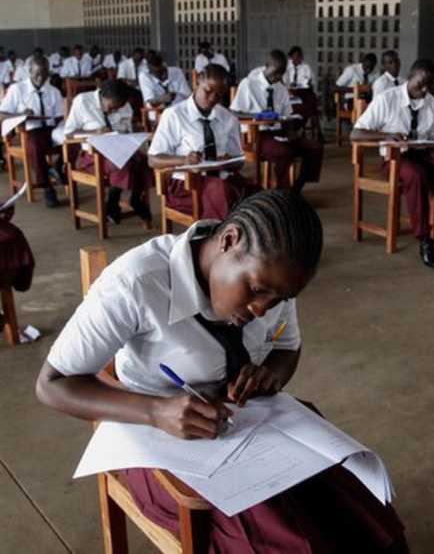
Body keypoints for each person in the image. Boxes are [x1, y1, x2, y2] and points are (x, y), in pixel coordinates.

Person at [34, 189, 408, 553]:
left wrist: (272, 374)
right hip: (156, 442)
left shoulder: (275, 280)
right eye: (256, 289)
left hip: (246, 425)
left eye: (279, 299)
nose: (264, 308)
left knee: (362, 513)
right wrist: (155, 411)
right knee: (280, 535)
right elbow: (53, 385)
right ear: (229, 240)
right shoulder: (136, 282)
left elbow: (286, 348)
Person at [351, 59, 434, 268]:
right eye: (419, 84)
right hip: (395, 160)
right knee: (417, 175)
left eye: (428, 85)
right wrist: (387, 135)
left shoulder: (431, 103)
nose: (423, 90)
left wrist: (433, 149)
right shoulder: (387, 99)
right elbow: (356, 134)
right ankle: (425, 240)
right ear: (409, 78)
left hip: (425, 156)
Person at [148, 64, 249, 220]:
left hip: (222, 178)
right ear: (197, 82)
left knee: (260, 196)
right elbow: (153, 160)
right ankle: (212, 239)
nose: (212, 99)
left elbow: (239, 161)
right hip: (188, 185)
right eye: (207, 91)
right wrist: (185, 160)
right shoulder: (174, 115)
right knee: (222, 193)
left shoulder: (228, 118)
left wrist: (227, 160)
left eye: (219, 95)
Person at [60, 79, 154, 223]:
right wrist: (94, 132)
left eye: (118, 108)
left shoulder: (125, 106)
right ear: (102, 97)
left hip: (121, 149)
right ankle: (112, 202)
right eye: (111, 107)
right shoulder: (83, 101)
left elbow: (128, 130)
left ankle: (135, 198)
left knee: (146, 161)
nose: (113, 111)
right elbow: (69, 133)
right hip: (94, 156)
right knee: (123, 164)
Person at [230, 50, 323, 193]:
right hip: (257, 134)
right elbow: (234, 113)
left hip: (279, 131)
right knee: (283, 152)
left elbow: (288, 114)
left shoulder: (280, 88)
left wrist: (291, 130)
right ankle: (282, 193)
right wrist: (258, 116)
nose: (278, 77)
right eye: (275, 72)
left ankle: (296, 188)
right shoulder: (248, 84)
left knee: (314, 147)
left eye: (281, 73)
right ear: (266, 66)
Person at [0, 55, 65, 207]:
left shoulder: (53, 91)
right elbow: (2, 113)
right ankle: (47, 187)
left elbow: (59, 116)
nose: (40, 77)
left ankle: (57, 166)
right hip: (30, 130)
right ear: (29, 71)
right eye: (36, 73)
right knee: (35, 144)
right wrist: (21, 114)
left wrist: (55, 122)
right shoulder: (17, 89)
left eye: (44, 74)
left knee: (71, 139)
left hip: (50, 129)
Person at [139, 53, 192, 118]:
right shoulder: (145, 76)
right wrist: (162, 99)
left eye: (163, 71)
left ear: (164, 65)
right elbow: (150, 102)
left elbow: (187, 95)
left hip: (180, 110)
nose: (162, 75)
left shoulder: (177, 72)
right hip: (158, 112)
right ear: (149, 70)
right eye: (157, 72)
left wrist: (175, 97)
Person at [283, 45, 320, 127]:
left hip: (303, 91)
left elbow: (313, 82)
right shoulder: (285, 67)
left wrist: (310, 83)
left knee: (310, 99)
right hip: (289, 92)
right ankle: (298, 126)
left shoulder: (306, 67)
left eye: (300, 56)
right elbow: (283, 82)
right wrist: (290, 86)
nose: (298, 59)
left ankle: (302, 125)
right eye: (296, 56)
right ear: (291, 56)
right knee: (307, 105)